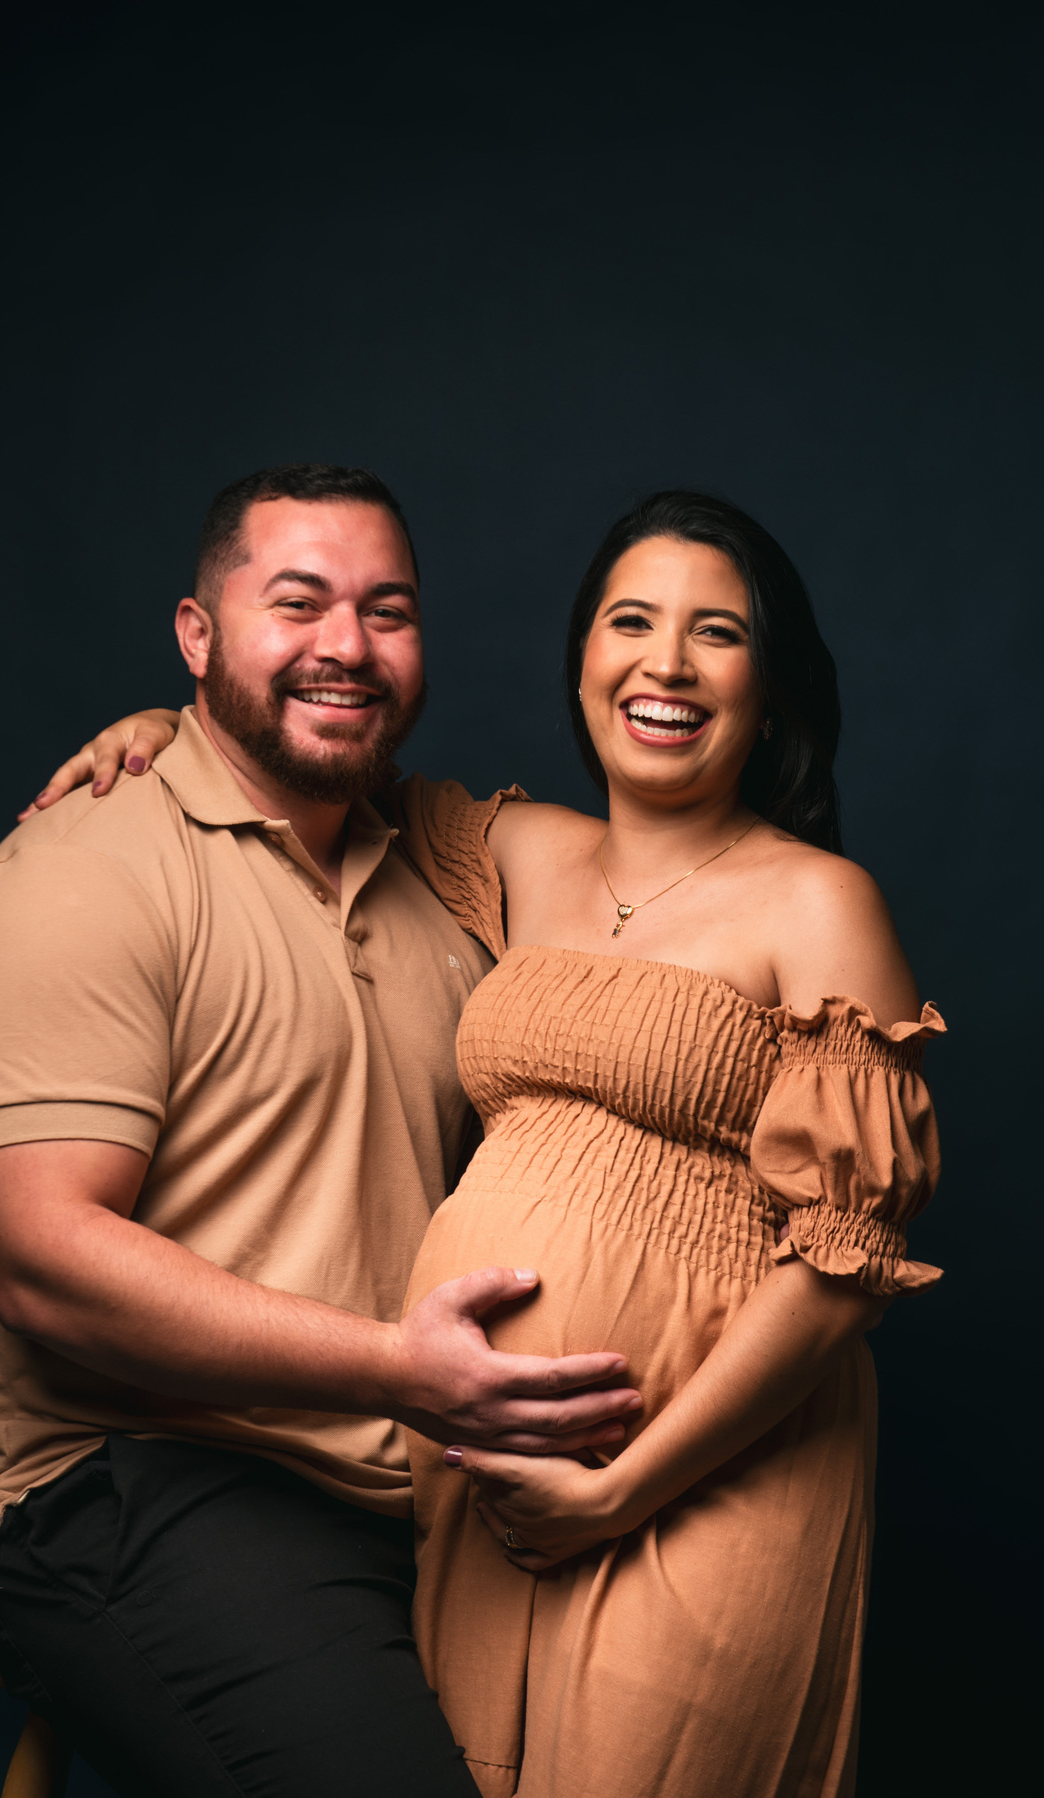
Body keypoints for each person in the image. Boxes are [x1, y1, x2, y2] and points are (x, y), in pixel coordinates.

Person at [73, 489, 943, 1798]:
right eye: (631, 621)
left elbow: (841, 1269)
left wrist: (623, 1488)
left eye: (716, 633)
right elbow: (305, 761)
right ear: (582, 659)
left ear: (770, 689)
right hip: (482, 1482)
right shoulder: (518, 851)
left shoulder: (820, 904)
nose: (665, 663)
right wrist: (171, 727)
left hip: (705, 1474)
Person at [0, 463, 643, 1798]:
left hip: (412, 1478)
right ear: (197, 636)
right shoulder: (79, 873)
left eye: (388, 610)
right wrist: (399, 1368)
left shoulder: (443, 873)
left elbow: (674, 876)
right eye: (299, 603)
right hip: (124, 1478)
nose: (347, 646)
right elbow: (41, 1263)